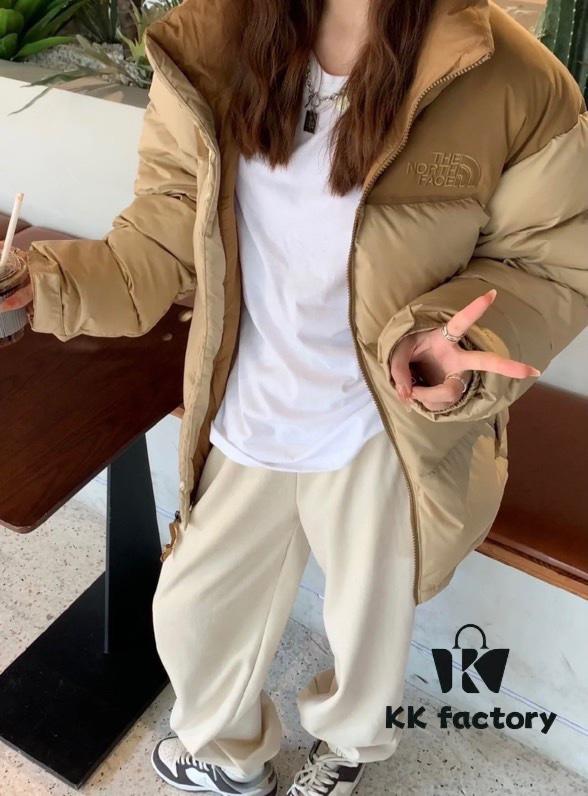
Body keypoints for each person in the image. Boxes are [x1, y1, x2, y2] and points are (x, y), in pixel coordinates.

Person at [1, 0, 587, 793]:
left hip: (389, 419)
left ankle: (346, 752)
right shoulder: (207, 41)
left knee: (370, 631)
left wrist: (458, 343)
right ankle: (225, 755)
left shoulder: (512, 78)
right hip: (254, 398)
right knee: (195, 612)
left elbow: (548, 264)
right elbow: (162, 238)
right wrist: (41, 284)